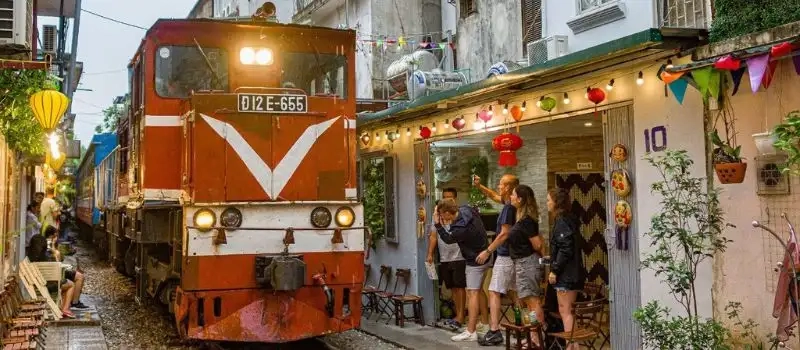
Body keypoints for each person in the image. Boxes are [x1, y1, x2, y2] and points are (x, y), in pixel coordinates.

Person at [435, 198, 490, 342]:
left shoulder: (459, 229)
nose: (441, 217)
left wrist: (438, 225)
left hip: (475, 259)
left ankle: (470, 331)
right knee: (479, 291)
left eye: (441, 214)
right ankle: (485, 323)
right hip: (486, 253)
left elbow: (448, 239)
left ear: (447, 213)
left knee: (472, 293)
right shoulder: (467, 209)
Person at [474, 174, 519, 346]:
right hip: (514, 255)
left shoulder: (509, 209)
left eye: (500, 184)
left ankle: (494, 331)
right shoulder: (512, 204)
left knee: (494, 291)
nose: (498, 186)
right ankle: (521, 326)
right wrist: (480, 186)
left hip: (505, 255)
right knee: (514, 293)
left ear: (508, 187)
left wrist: (488, 250)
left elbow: (504, 233)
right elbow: (494, 196)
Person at [546, 188, 586, 350]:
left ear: (557, 203)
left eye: (549, 200)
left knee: (565, 311)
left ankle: (571, 346)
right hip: (574, 273)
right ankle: (574, 345)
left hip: (566, 276)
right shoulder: (570, 220)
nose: (547, 203)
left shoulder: (561, 221)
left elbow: (566, 248)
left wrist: (554, 269)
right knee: (570, 311)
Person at [508, 185, 546, 347]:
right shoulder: (522, 218)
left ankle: (537, 338)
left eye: (513, 194)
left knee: (533, 301)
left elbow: (537, 244)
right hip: (522, 262)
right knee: (529, 301)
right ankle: (533, 336)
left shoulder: (527, 221)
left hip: (527, 263)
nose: (510, 196)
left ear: (520, 199)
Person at [28, 226, 76, 318]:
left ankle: (61, 307)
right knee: (70, 284)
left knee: (63, 282)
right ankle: (65, 309)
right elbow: (58, 262)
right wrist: (54, 248)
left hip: (36, 286)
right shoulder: (46, 258)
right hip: (48, 285)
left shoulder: (30, 257)